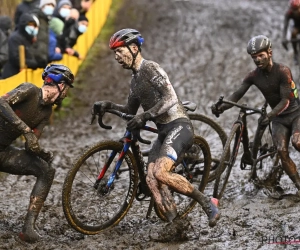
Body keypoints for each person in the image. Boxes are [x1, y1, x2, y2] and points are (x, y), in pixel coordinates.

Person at [92, 29, 220, 229]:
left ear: (134, 48)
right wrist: (108, 105)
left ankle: (207, 202)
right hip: (163, 131)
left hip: (178, 125)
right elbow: (129, 110)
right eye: (114, 53)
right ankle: (174, 223)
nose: (116, 57)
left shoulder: (150, 68)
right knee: (151, 180)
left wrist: (146, 115)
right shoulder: (134, 81)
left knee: (160, 173)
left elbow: (170, 98)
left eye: (119, 51)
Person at [212, 35, 300, 196]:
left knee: (297, 142)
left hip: (295, 114)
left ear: (270, 53)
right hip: (279, 120)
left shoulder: (283, 71)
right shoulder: (253, 76)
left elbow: (285, 101)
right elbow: (237, 94)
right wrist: (222, 107)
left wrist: (270, 115)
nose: (258, 60)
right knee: (281, 151)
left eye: (261, 56)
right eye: (254, 57)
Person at [0, 64, 74, 243]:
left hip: (3, 151)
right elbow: (1, 102)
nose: (66, 94)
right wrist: (25, 129)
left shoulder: (46, 112)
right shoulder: (30, 90)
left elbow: (30, 145)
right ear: (60, 85)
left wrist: (41, 152)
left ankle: (28, 228)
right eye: (66, 88)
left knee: (46, 170)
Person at [2, 13, 40, 79]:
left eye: (34, 25)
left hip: (24, 75)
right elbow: (15, 58)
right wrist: (33, 63)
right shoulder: (15, 38)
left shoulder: (29, 39)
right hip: (13, 75)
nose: (32, 27)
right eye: (30, 24)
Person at [282, 0, 300, 65]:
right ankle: (296, 53)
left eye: (297, 9)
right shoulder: (289, 13)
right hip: (297, 26)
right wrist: (284, 38)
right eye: (293, 9)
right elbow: (285, 27)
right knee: (293, 33)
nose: (295, 11)